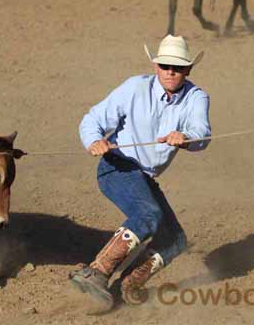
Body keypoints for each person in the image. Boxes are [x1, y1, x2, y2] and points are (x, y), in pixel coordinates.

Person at [70, 35, 211, 312]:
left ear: (188, 70)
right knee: (149, 215)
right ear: (156, 67)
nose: (171, 71)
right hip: (116, 166)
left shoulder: (196, 98)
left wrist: (186, 137)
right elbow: (92, 120)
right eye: (165, 65)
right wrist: (94, 141)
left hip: (143, 177)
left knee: (176, 240)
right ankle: (96, 273)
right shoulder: (134, 88)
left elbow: (202, 134)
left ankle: (130, 283)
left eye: (178, 67)